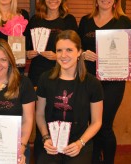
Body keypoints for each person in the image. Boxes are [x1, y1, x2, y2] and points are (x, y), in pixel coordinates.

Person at [78, 0, 131, 164]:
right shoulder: (85, 21)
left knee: (105, 125)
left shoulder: (123, 21)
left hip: (114, 82)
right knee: (90, 125)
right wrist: (83, 54)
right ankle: (93, 160)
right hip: (88, 81)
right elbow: (76, 48)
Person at [35, 30, 103, 164]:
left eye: (69, 50)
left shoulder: (92, 83)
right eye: (59, 50)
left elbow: (96, 122)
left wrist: (80, 143)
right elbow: (39, 114)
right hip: (50, 143)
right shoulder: (45, 79)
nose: (63, 55)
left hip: (79, 142)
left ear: (79, 52)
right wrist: (45, 138)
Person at [25, 0, 78, 86]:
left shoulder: (69, 20)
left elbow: (76, 51)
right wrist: (27, 54)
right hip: (37, 74)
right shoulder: (35, 20)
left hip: (61, 73)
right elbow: (26, 46)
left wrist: (57, 56)